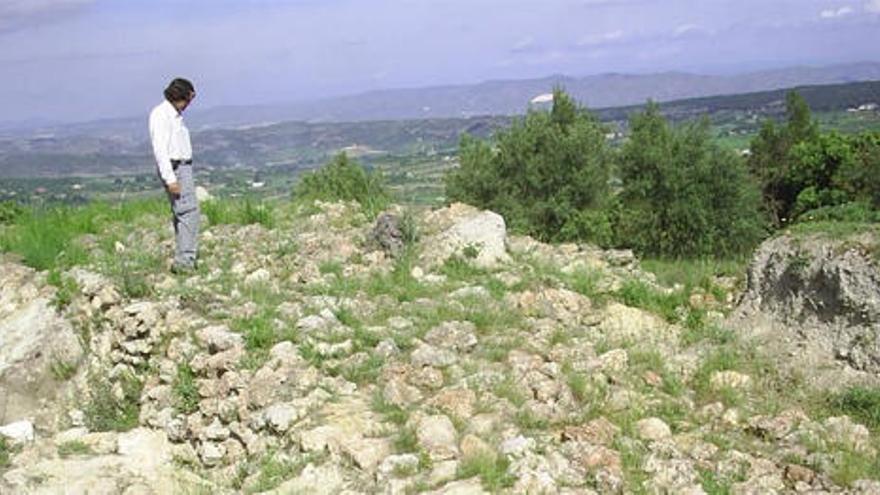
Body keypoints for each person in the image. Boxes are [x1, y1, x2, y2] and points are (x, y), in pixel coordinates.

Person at [149, 78, 199, 273]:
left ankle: (183, 257)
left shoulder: (174, 115)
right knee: (188, 213)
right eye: (189, 98)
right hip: (175, 167)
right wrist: (170, 179)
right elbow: (160, 149)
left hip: (181, 167)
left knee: (183, 213)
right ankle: (185, 261)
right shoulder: (161, 115)